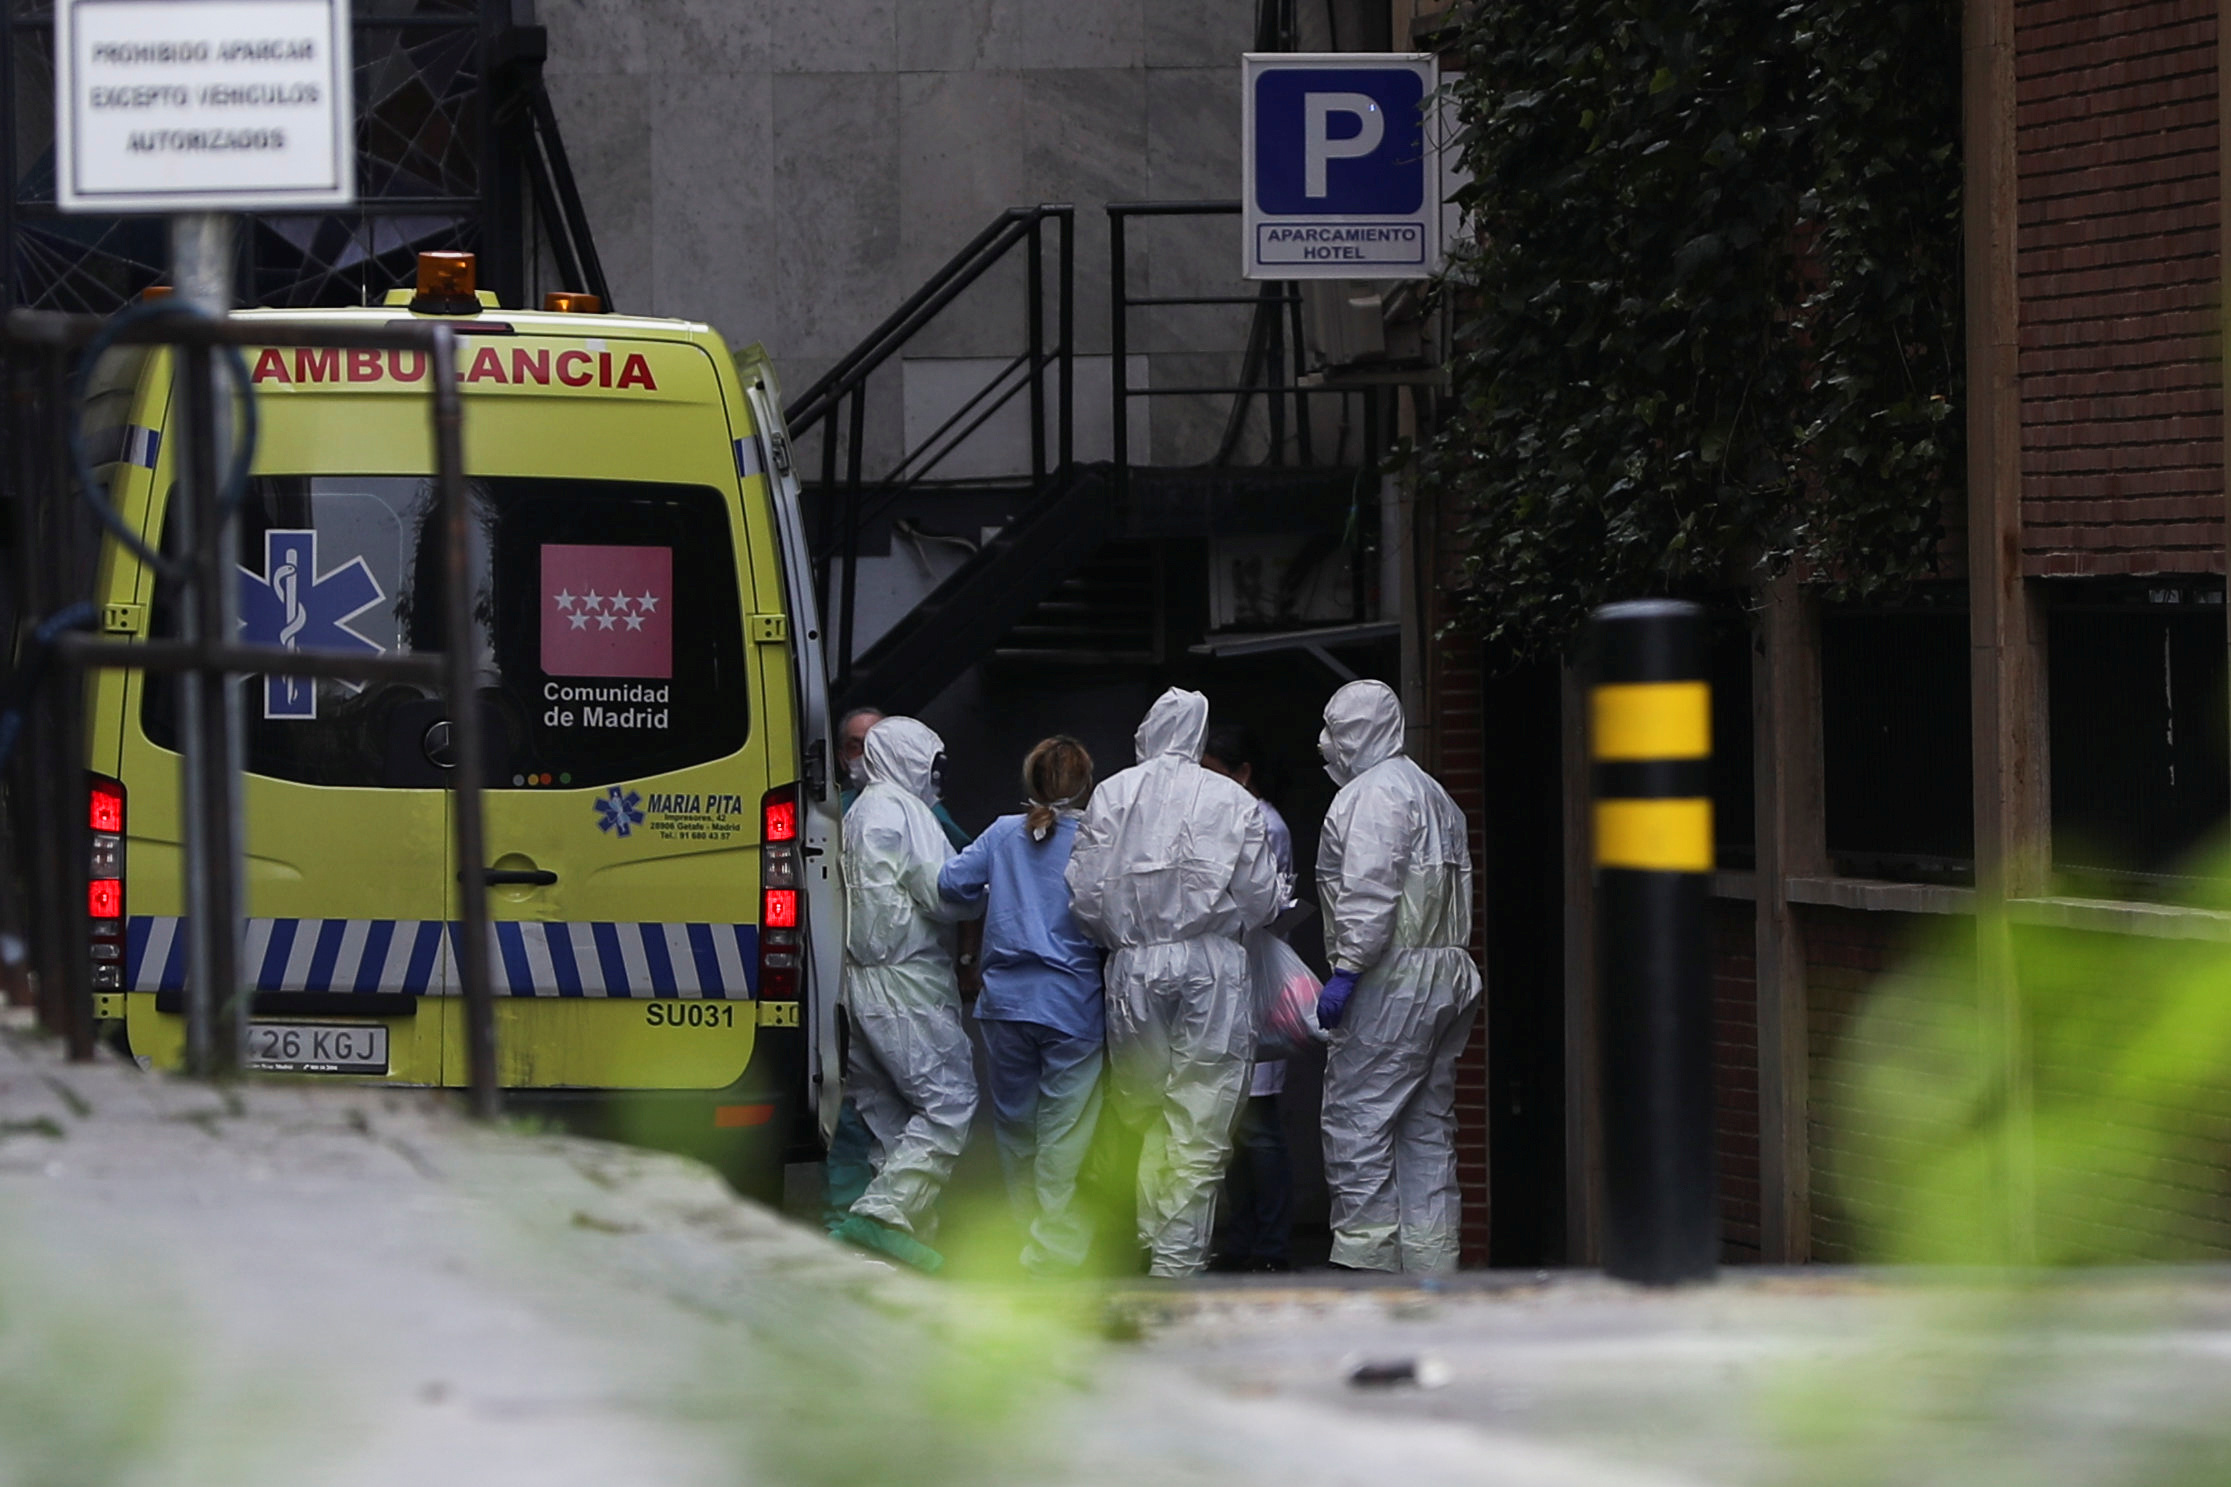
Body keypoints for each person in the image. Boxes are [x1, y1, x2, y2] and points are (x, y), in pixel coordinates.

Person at [1066, 688, 1282, 1277]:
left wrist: (1126, 935)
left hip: (1134, 964)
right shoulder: (1229, 797)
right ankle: (1176, 1261)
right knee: (1201, 1112)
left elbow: (1083, 895)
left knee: (1144, 1109)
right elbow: (1261, 899)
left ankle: (1153, 1242)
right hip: (1210, 965)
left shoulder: (1113, 792)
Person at [1313, 679, 1483, 1274]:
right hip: (1446, 973)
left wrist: (1348, 970)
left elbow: (1368, 892)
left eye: (1335, 730)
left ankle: (1367, 1271)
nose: (1326, 744)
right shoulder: (1432, 793)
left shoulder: (1371, 797)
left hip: (1391, 981)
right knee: (1425, 1129)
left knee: (1359, 1124)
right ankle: (1432, 1270)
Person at [937, 736, 1106, 1274]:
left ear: (1030, 781)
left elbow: (950, 883)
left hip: (1006, 1006)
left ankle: (1022, 1239)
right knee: (1065, 1133)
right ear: (1087, 784)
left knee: (1015, 1129)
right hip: (1072, 1005)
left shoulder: (1002, 834)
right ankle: (1052, 1252)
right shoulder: (1099, 840)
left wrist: (996, 896)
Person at [831, 716, 981, 1271]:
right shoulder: (904, 811)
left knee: (887, 1113)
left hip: (857, 980)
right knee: (949, 1101)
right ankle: (883, 1215)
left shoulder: (858, 810)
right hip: (905, 979)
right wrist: (985, 885)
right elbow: (943, 894)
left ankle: (890, 1253)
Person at [1200, 723, 1297, 1273]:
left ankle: (1270, 1246)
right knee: (1232, 1126)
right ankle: (1241, 1240)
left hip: (1251, 978)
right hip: (1224, 978)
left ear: (1243, 773)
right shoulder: (1227, 814)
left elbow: (1265, 905)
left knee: (1258, 1125)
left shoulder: (1266, 824)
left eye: (1215, 773)